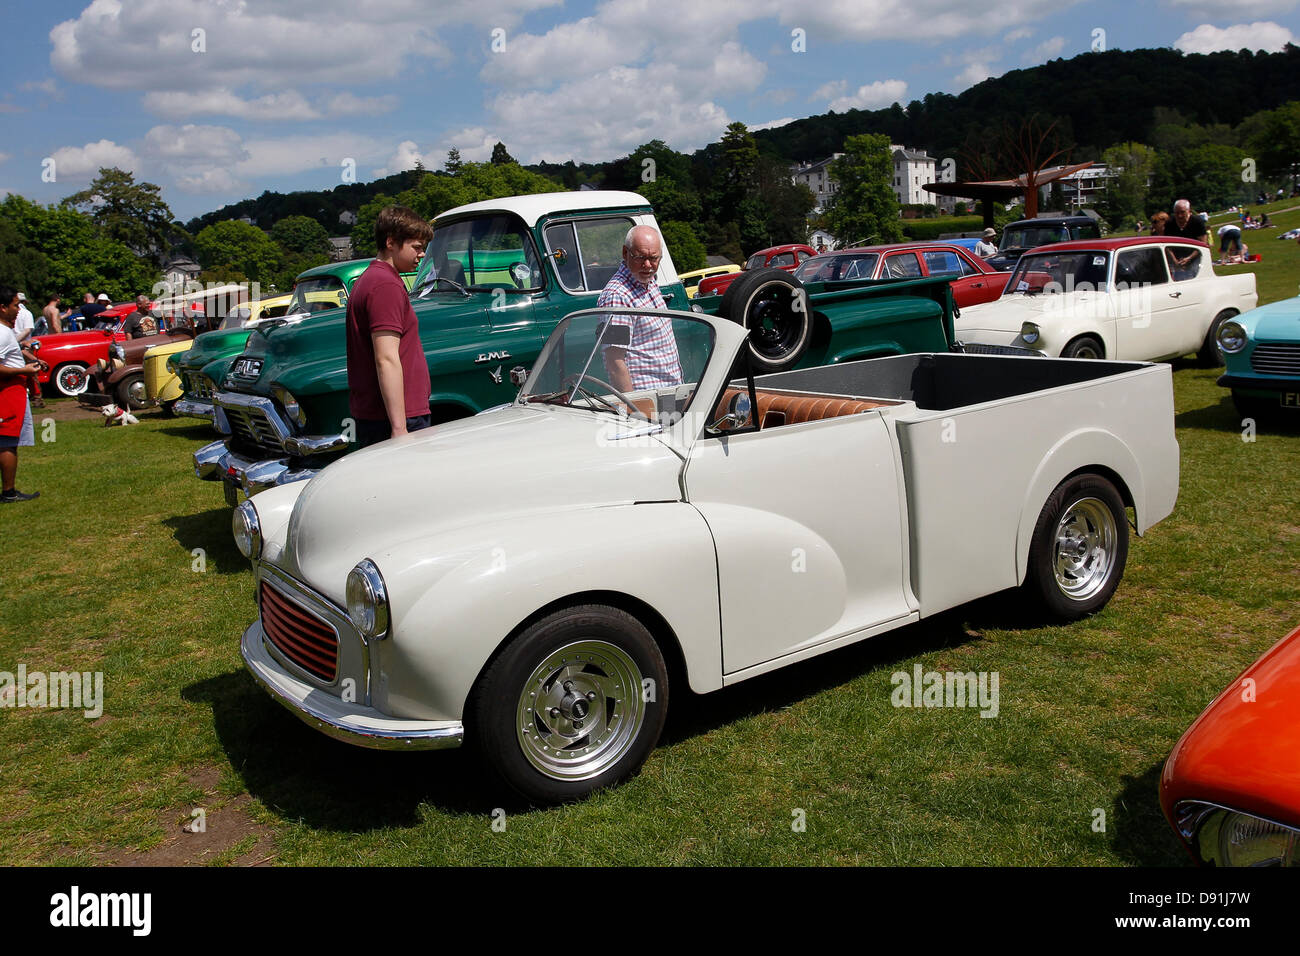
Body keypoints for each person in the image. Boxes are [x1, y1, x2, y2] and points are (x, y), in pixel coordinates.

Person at [344, 205, 433, 449]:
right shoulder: (385, 286)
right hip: (397, 419)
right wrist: (399, 428)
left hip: (383, 416)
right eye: (416, 247)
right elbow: (386, 358)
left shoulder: (371, 279)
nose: (422, 254)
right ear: (391, 242)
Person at [596, 225, 682, 393]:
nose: (648, 265)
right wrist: (635, 411)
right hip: (647, 400)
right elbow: (614, 361)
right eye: (641, 257)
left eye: (654, 258)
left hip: (669, 392)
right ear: (625, 253)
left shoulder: (649, 283)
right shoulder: (617, 297)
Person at [0, 286, 42, 502]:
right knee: (6, 441)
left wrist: (30, 360)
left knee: (9, 441)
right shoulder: (1, 332)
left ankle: (9, 490)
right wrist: (23, 370)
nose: (19, 309)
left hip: (14, 388)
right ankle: (8, 492)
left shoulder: (6, 332)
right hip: (7, 390)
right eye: (15, 305)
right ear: (3, 307)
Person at [1166, 200, 1207, 275]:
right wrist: (1175, 261)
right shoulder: (1170, 224)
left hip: (1195, 258)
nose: (1179, 215)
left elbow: (1203, 244)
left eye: (1182, 212)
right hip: (1177, 260)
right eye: (1176, 213)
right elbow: (1167, 246)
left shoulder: (1197, 222)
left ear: (1189, 211)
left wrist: (1189, 258)